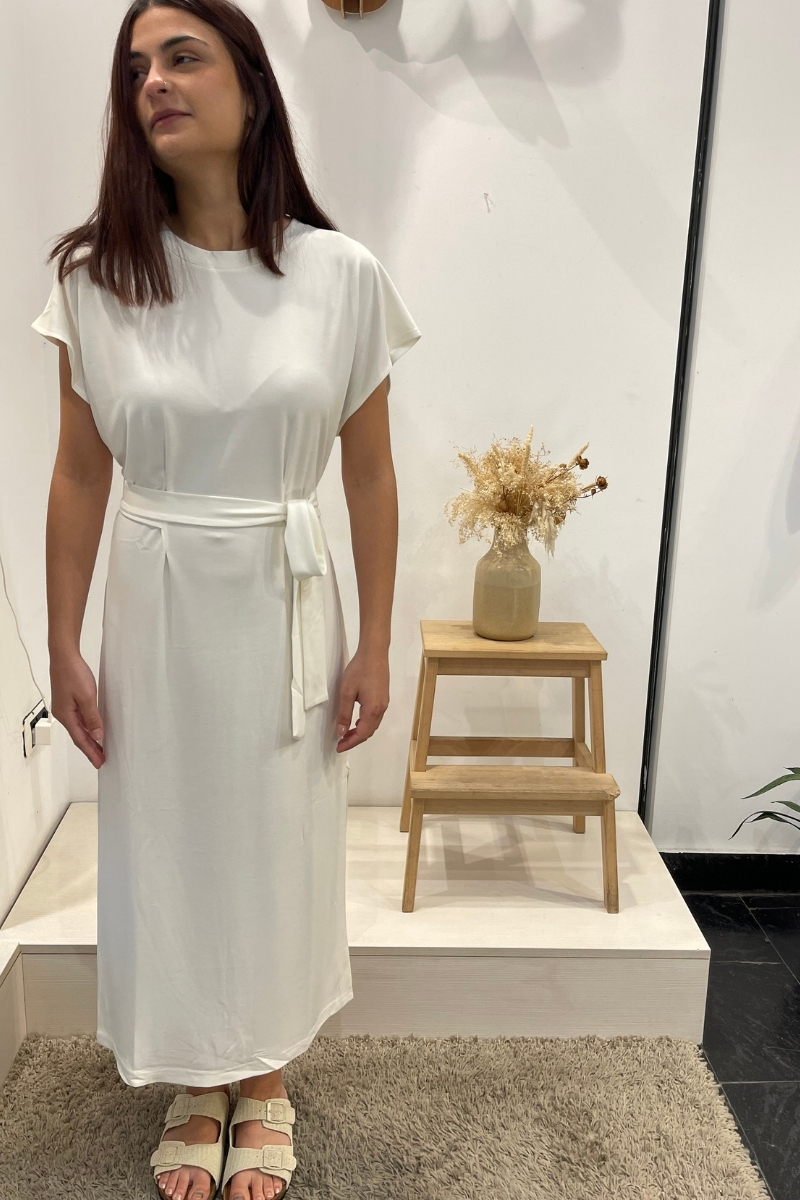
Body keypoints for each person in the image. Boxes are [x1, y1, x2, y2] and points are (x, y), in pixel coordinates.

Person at [30, 2, 421, 1198]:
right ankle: (197, 1073)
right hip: (154, 601)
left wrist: (374, 642)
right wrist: (61, 645)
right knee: (170, 838)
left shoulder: (338, 275)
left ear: (251, 85)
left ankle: (263, 1070)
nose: (152, 80)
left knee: (271, 841)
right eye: (134, 67)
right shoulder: (95, 281)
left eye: (182, 56)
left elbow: (367, 473)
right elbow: (80, 474)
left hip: (282, 597)